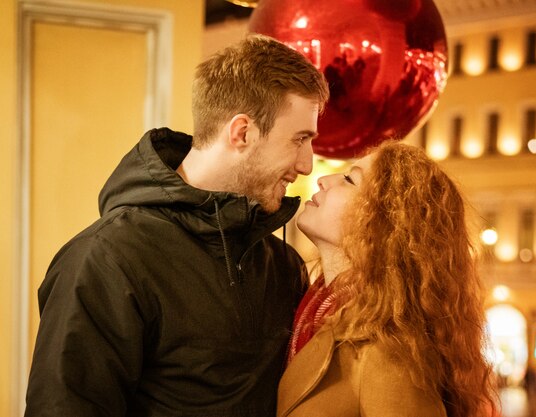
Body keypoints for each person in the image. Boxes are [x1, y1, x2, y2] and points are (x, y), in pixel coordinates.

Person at [24, 35, 329, 417]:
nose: (306, 165)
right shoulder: (106, 258)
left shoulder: (282, 263)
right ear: (242, 132)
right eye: (300, 139)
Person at [278, 142, 497, 417]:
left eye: (349, 179)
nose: (323, 180)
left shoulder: (388, 349)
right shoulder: (311, 310)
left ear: (382, 222)